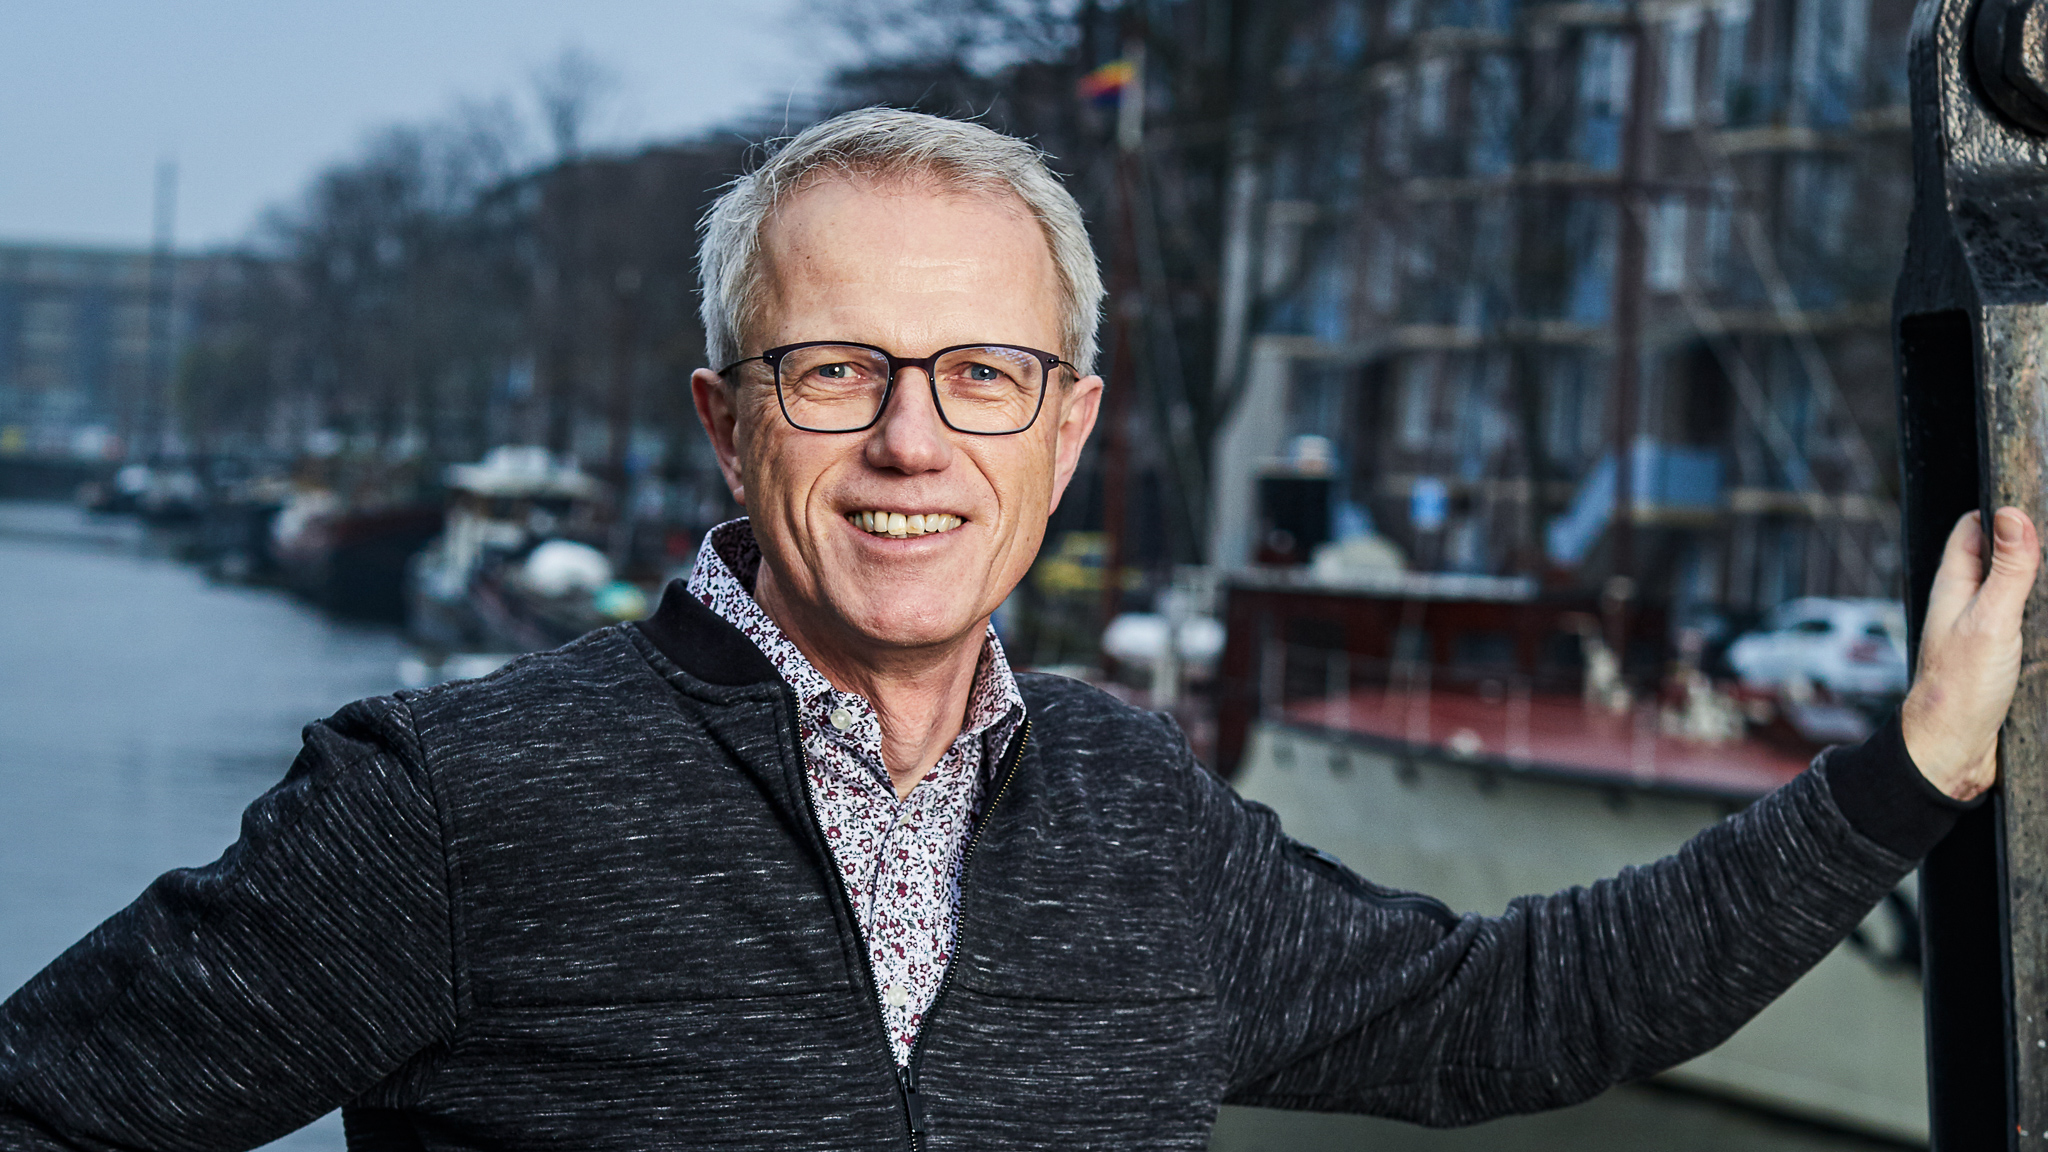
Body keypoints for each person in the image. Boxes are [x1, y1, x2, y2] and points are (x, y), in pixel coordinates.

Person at [0, 108, 2037, 1152]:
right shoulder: (448, 805)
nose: (913, 441)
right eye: (836, 372)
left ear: (1065, 435)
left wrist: (1912, 770)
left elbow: (1526, 1012)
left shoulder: (1140, 816)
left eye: (984, 376)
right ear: (726, 421)